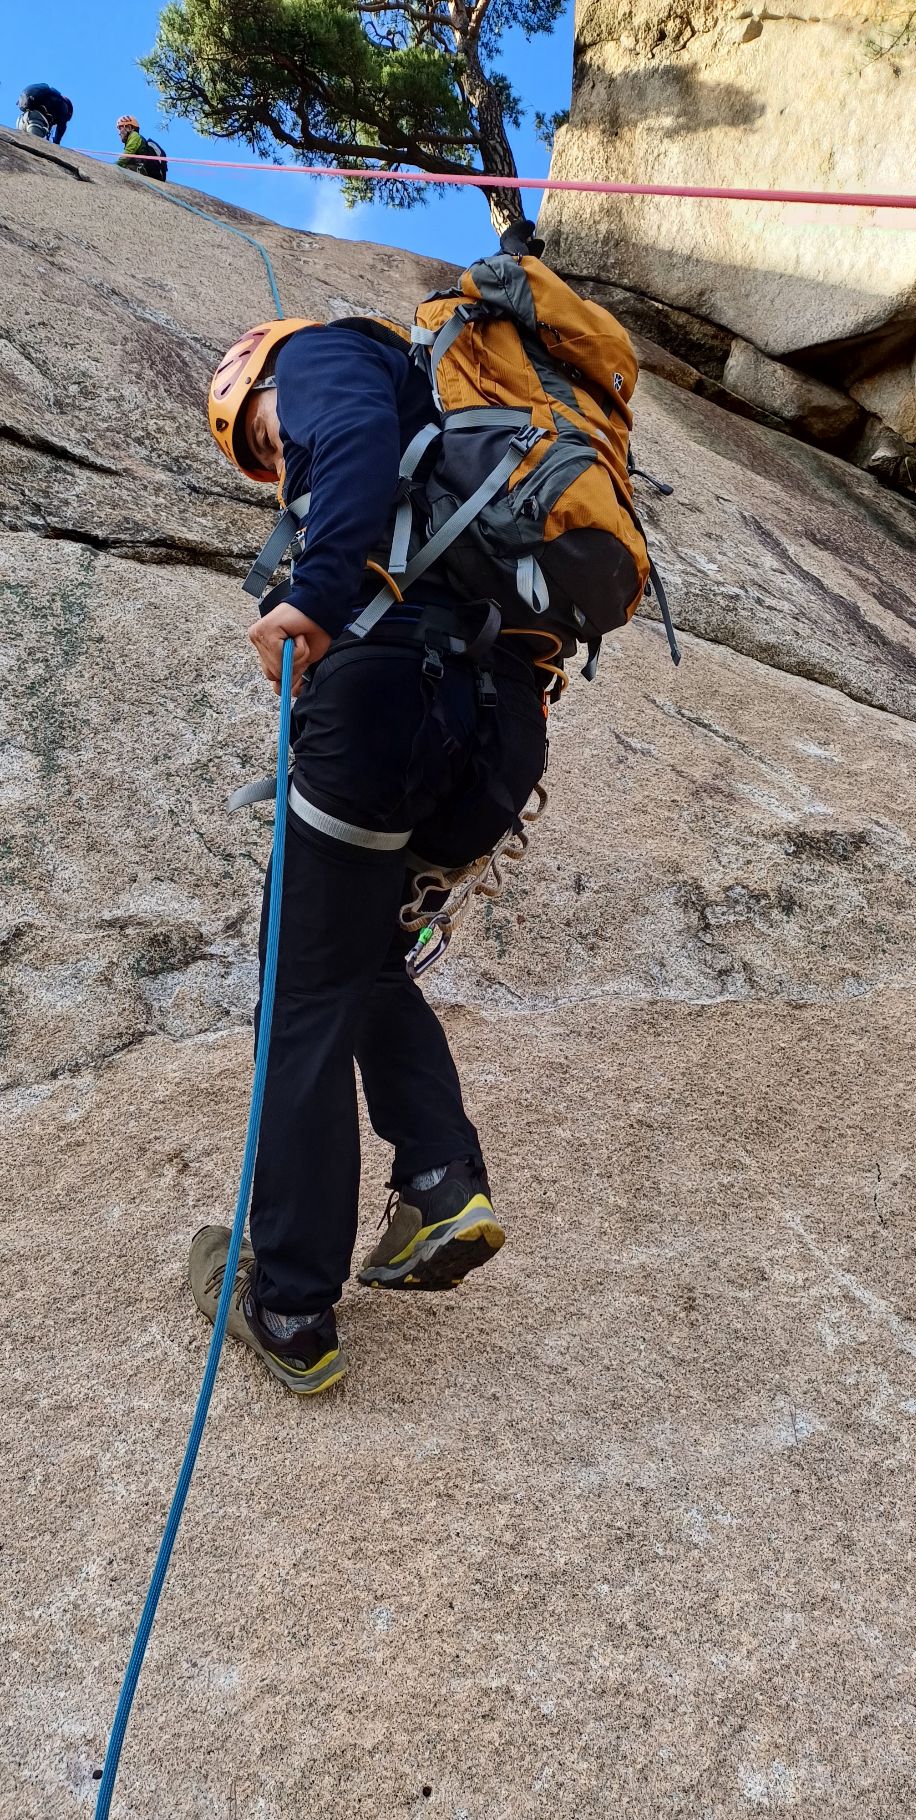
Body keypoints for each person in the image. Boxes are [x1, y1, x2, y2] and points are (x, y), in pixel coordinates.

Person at [189, 315, 548, 1395]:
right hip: (494, 732)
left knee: (301, 993)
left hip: (389, 696)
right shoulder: (442, 430)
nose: (273, 463)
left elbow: (342, 436)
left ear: (257, 368)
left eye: (262, 439)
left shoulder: (324, 356)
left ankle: (290, 1304)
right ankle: (440, 1181)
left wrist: (314, 593)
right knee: (359, 959)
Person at [115, 115, 167, 181]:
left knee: (125, 167)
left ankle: (141, 170)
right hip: (151, 171)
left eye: (120, 128)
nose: (119, 133)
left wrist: (115, 165)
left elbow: (128, 154)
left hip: (147, 169)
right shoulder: (133, 138)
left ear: (129, 127)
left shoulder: (134, 135)